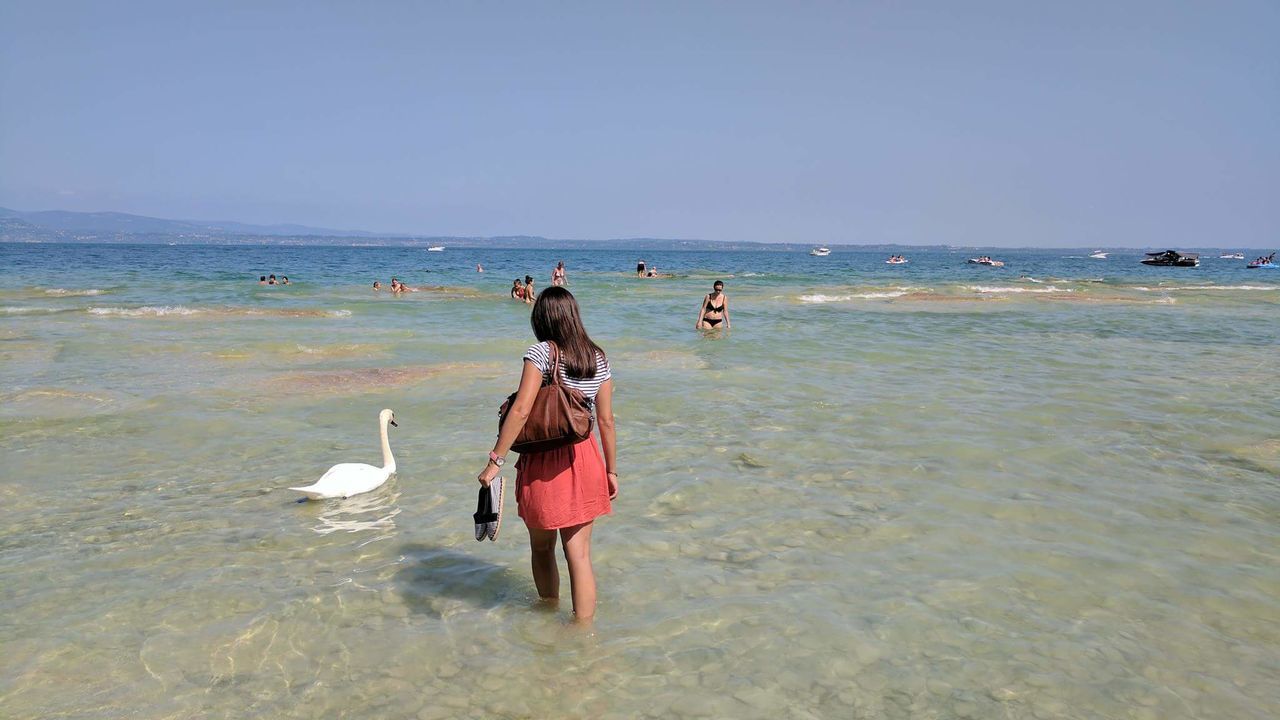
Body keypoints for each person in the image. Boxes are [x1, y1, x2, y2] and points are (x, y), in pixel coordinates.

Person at [476, 287, 617, 622]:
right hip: (585, 459)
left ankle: (548, 615)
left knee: (542, 549)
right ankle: (583, 634)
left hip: (543, 463)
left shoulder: (540, 353)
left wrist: (496, 460)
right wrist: (612, 471)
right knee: (579, 555)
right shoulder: (598, 357)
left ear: (541, 319)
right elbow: (608, 421)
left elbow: (522, 409)